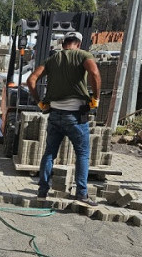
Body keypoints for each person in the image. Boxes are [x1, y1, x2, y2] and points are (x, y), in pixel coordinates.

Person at [26, 31, 101, 206]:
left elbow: (31, 80)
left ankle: (42, 192)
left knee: (50, 153)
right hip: (75, 116)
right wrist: (95, 99)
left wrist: (40, 103)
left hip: (54, 114)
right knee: (82, 153)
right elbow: (95, 74)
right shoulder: (83, 55)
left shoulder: (52, 59)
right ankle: (81, 194)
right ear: (79, 44)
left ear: (63, 43)